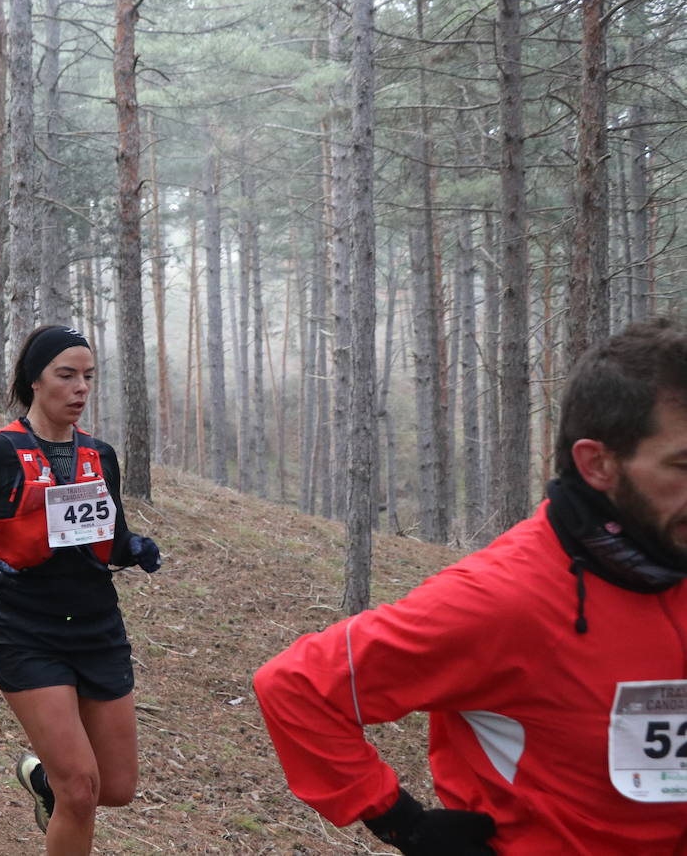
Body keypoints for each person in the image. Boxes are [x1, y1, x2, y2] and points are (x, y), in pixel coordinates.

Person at [253, 317, 687, 855]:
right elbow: (297, 688)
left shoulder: (671, 557)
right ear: (597, 463)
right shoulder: (504, 599)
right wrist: (402, 823)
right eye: (683, 464)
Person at [0, 324, 162, 856]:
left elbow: (110, 541)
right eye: (66, 375)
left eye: (88, 377)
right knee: (82, 789)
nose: (80, 389)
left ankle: (42, 781)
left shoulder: (101, 455)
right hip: (30, 634)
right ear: (35, 380)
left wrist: (135, 548)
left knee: (115, 789)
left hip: (100, 632)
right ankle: (61, 788)